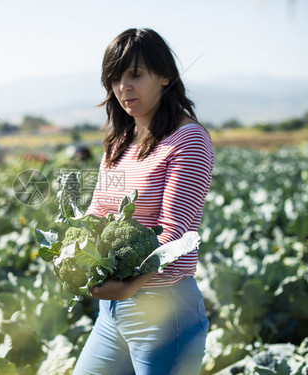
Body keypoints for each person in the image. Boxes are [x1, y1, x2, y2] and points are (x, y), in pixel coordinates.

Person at [72, 28, 214, 375]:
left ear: (165, 75)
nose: (124, 87)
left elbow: (175, 236)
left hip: (164, 311)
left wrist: (129, 286)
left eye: (135, 75)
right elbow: (98, 212)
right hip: (112, 313)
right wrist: (75, 248)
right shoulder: (118, 141)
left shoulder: (188, 140)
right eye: (115, 78)